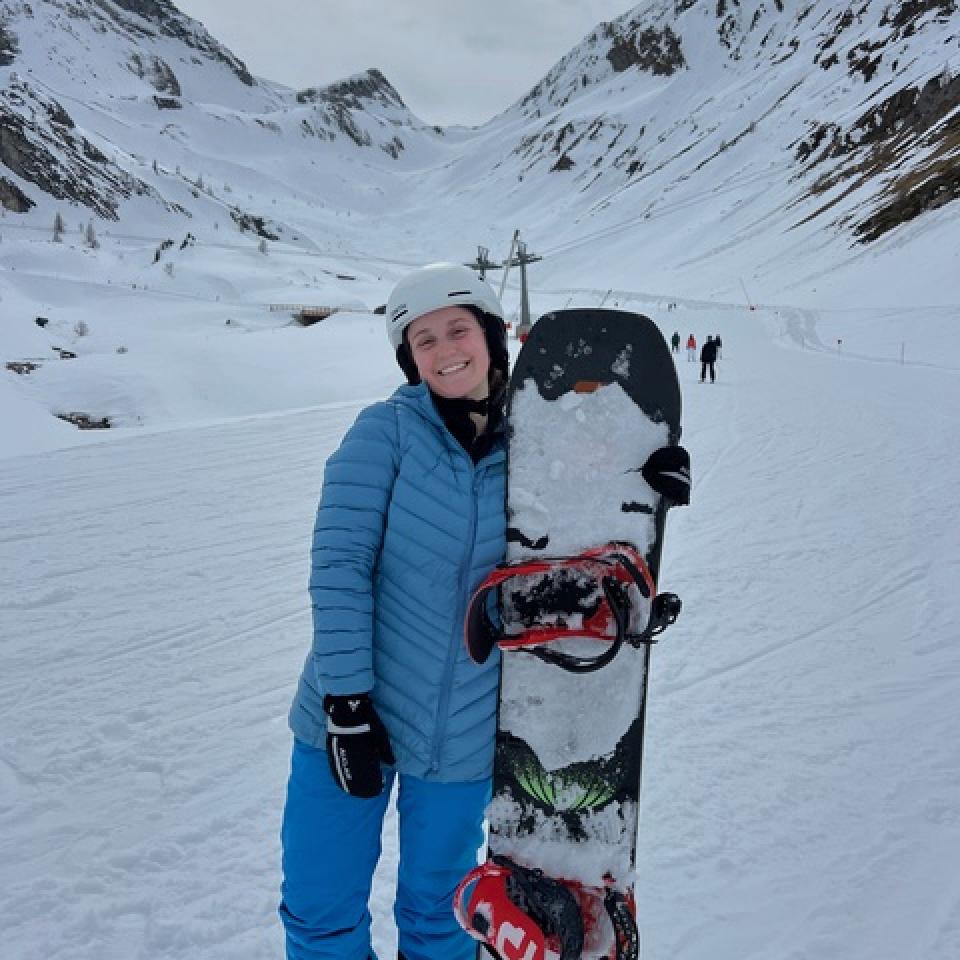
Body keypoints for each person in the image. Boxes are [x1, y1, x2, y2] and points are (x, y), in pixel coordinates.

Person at [279, 263, 510, 960]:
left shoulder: (538, 445)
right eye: (423, 340)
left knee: (444, 918)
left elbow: (584, 538)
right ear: (408, 357)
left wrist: (643, 472)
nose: (444, 351)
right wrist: (347, 703)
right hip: (349, 717)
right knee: (321, 910)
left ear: (492, 336)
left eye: (458, 330)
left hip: (465, 727)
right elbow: (339, 567)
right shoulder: (384, 433)